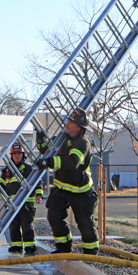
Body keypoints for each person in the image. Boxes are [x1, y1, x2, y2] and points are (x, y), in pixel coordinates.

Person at [35, 108, 99, 254]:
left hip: (80, 190)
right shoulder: (62, 138)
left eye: (71, 122)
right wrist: (40, 141)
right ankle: (63, 249)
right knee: (54, 216)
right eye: (68, 121)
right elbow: (48, 151)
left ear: (78, 128)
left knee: (84, 222)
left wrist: (49, 162)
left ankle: (91, 254)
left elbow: (72, 162)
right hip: (62, 188)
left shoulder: (83, 143)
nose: (67, 124)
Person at [0, 143, 43, 254]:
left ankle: (30, 246)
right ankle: (16, 246)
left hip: (27, 204)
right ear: (11, 156)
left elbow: (38, 183)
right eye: (14, 154)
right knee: (13, 226)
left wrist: (39, 195)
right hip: (12, 205)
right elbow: (1, 186)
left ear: (23, 155)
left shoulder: (29, 169)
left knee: (27, 226)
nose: (17, 156)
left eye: (19, 154)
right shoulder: (6, 171)